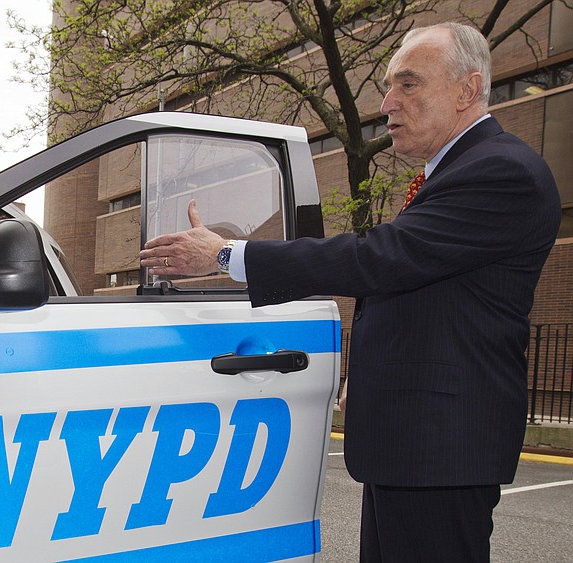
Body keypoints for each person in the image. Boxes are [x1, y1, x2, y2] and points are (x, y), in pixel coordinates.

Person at [139, 22, 561, 562]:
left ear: (466, 89)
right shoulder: (452, 174)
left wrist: (227, 254)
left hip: (441, 452)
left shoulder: (501, 171)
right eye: (388, 86)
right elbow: (410, 285)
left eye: (408, 84)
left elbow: (380, 258)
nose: (388, 103)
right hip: (411, 445)